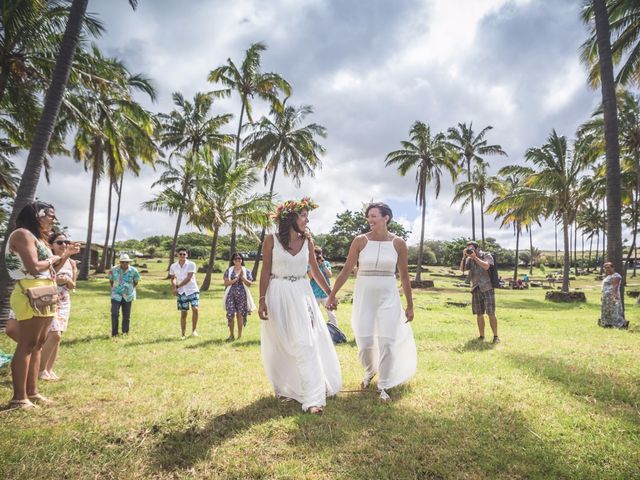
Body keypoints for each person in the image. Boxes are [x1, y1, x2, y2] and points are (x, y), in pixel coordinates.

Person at [326, 202, 416, 402]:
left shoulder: (398, 243)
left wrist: (410, 305)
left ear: (386, 218)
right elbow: (347, 269)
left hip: (388, 298)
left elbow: (404, 275)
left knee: (387, 343)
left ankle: (384, 385)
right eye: (368, 217)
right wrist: (332, 295)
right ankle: (369, 371)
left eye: (374, 216)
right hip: (364, 297)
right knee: (365, 342)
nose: (370, 220)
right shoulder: (360, 240)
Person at [258, 198, 342, 414]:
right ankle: (286, 388)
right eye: (303, 215)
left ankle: (313, 398)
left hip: (302, 294)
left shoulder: (308, 241)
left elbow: (314, 271)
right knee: (281, 342)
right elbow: (265, 270)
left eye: (307, 216)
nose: (307, 220)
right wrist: (261, 300)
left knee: (306, 342)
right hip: (277, 292)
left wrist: (330, 294)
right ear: (290, 219)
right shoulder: (271, 240)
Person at [4, 201, 78, 409]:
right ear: (37, 215)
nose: (53, 219)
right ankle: (19, 398)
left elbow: (50, 267)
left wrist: (62, 256)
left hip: (45, 290)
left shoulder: (38, 238)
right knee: (27, 344)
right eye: (50, 215)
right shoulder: (22, 234)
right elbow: (34, 267)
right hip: (29, 291)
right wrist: (54, 256)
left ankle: (32, 392)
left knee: (38, 344)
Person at [39, 232, 77, 380]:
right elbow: (41, 279)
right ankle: (40, 369)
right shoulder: (48, 260)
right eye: (60, 242)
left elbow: (73, 285)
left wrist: (66, 280)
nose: (64, 245)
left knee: (57, 336)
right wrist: (56, 281)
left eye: (66, 242)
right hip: (48, 298)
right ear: (51, 245)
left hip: (64, 301)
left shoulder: (71, 263)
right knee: (54, 335)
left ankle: (49, 369)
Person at [459, 240, 500, 343]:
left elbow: (486, 266)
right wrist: (464, 257)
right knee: (479, 313)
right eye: (468, 249)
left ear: (477, 249)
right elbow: (462, 269)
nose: (470, 251)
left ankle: (495, 336)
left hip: (487, 288)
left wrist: (475, 258)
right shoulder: (468, 259)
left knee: (491, 313)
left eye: (472, 248)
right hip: (476, 287)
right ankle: (481, 336)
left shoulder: (486, 255)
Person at [223, 252, 255, 341]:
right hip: (230, 294)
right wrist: (236, 279)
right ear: (233, 261)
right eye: (236, 259)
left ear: (242, 260)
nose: (238, 260)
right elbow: (226, 283)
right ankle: (231, 335)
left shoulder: (246, 271)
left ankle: (239, 335)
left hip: (242, 295)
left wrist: (242, 278)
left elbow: (249, 284)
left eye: (239, 259)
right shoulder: (228, 271)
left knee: (240, 315)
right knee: (230, 314)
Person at [169, 247, 200, 339]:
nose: (182, 255)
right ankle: (183, 334)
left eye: (184, 254)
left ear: (187, 255)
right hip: (181, 292)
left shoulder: (191, 264)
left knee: (195, 309)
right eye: (181, 254)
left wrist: (177, 286)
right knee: (184, 313)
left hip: (192, 290)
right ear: (177, 255)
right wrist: (174, 287)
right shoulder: (173, 266)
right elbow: (173, 278)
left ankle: (194, 331)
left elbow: (189, 278)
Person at [107, 253, 140, 337]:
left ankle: (125, 332)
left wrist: (130, 289)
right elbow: (111, 280)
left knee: (126, 315)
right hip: (116, 295)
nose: (124, 264)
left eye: (126, 262)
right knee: (114, 313)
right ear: (120, 262)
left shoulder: (133, 270)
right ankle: (114, 333)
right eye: (122, 262)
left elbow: (136, 281)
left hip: (128, 296)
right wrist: (116, 289)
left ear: (128, 262)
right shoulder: (114, 270)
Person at [307, 246, 338, 327]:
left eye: (318, 254)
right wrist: (314, 265)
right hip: (314, 293)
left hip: (325, 294)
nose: (317, 256)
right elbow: (311, 277)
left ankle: (336, 331)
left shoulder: (326, 263)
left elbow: (330, 275)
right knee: (312, 314)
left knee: (331, 314)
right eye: (315, 254)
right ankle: (313, 330)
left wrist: (323, 265)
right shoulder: (309, 264)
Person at [599, 262, 627, 329]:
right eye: (605, 268)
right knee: (606, 311)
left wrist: (614, 296)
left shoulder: (616, 276)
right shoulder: (608, 276)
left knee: (614, 311)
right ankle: (607, 324)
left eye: (608, 268)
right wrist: (602, 295)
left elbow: (615, 286)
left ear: (613, 268)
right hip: (606, 297)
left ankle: (620, 325)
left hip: (612, 296)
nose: (607, 269)